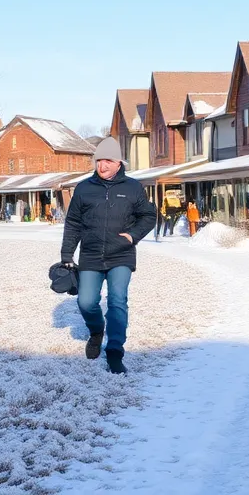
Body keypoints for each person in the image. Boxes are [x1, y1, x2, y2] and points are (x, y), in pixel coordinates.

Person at [61, 137, 157, 375]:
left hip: (121, 256)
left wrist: (132, 236)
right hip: (91, 256)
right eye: (99, 161)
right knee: (86, 302)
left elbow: (148, 215)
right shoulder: (84, 188)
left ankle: (115, 351)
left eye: (108, 161)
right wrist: (67, 254)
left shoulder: (133, 187)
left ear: (118, 163)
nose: (102, 166)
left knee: (117, 301)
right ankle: (96, 331)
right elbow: (73, 222)